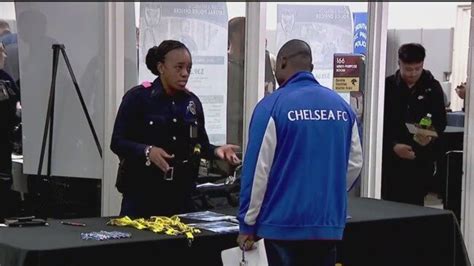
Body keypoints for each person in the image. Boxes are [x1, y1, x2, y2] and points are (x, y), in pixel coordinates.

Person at [237, 39, 363, 265]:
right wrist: (327, 191)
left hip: (280, 227)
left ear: (283, 62)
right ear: (311, 68)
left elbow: (258, 172)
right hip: (327, 227)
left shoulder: (271, 106)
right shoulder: (343, 108)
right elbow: (355, 164)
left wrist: (247, 223)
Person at [111, 40, 240, 217]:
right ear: (161, 67)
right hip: (143, 198)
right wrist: (148, 151)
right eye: (179, 67)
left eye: (189, 68)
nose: (185, 74)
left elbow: (199, 145)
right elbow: (117, 142)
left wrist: (217, 151)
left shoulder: (191, 102)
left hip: (182, 198)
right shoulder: (138, 98)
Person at [382, 43, 447, 206]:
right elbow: (381, 123)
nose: (413, 73)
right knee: (390, 205)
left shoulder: (432, 87)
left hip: (420, 158)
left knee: (415, 206)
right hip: (391, 159)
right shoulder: (387, 87)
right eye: (408, 69)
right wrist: (393, 146)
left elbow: (440, 121)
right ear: (399, 64)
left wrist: (428, 138)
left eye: (417, 68)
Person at [0, 43, 20, 220]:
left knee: (5, 179)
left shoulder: (6, 78)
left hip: (5, 140)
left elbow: (15, 100)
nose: (5, 56)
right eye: (1, 52)